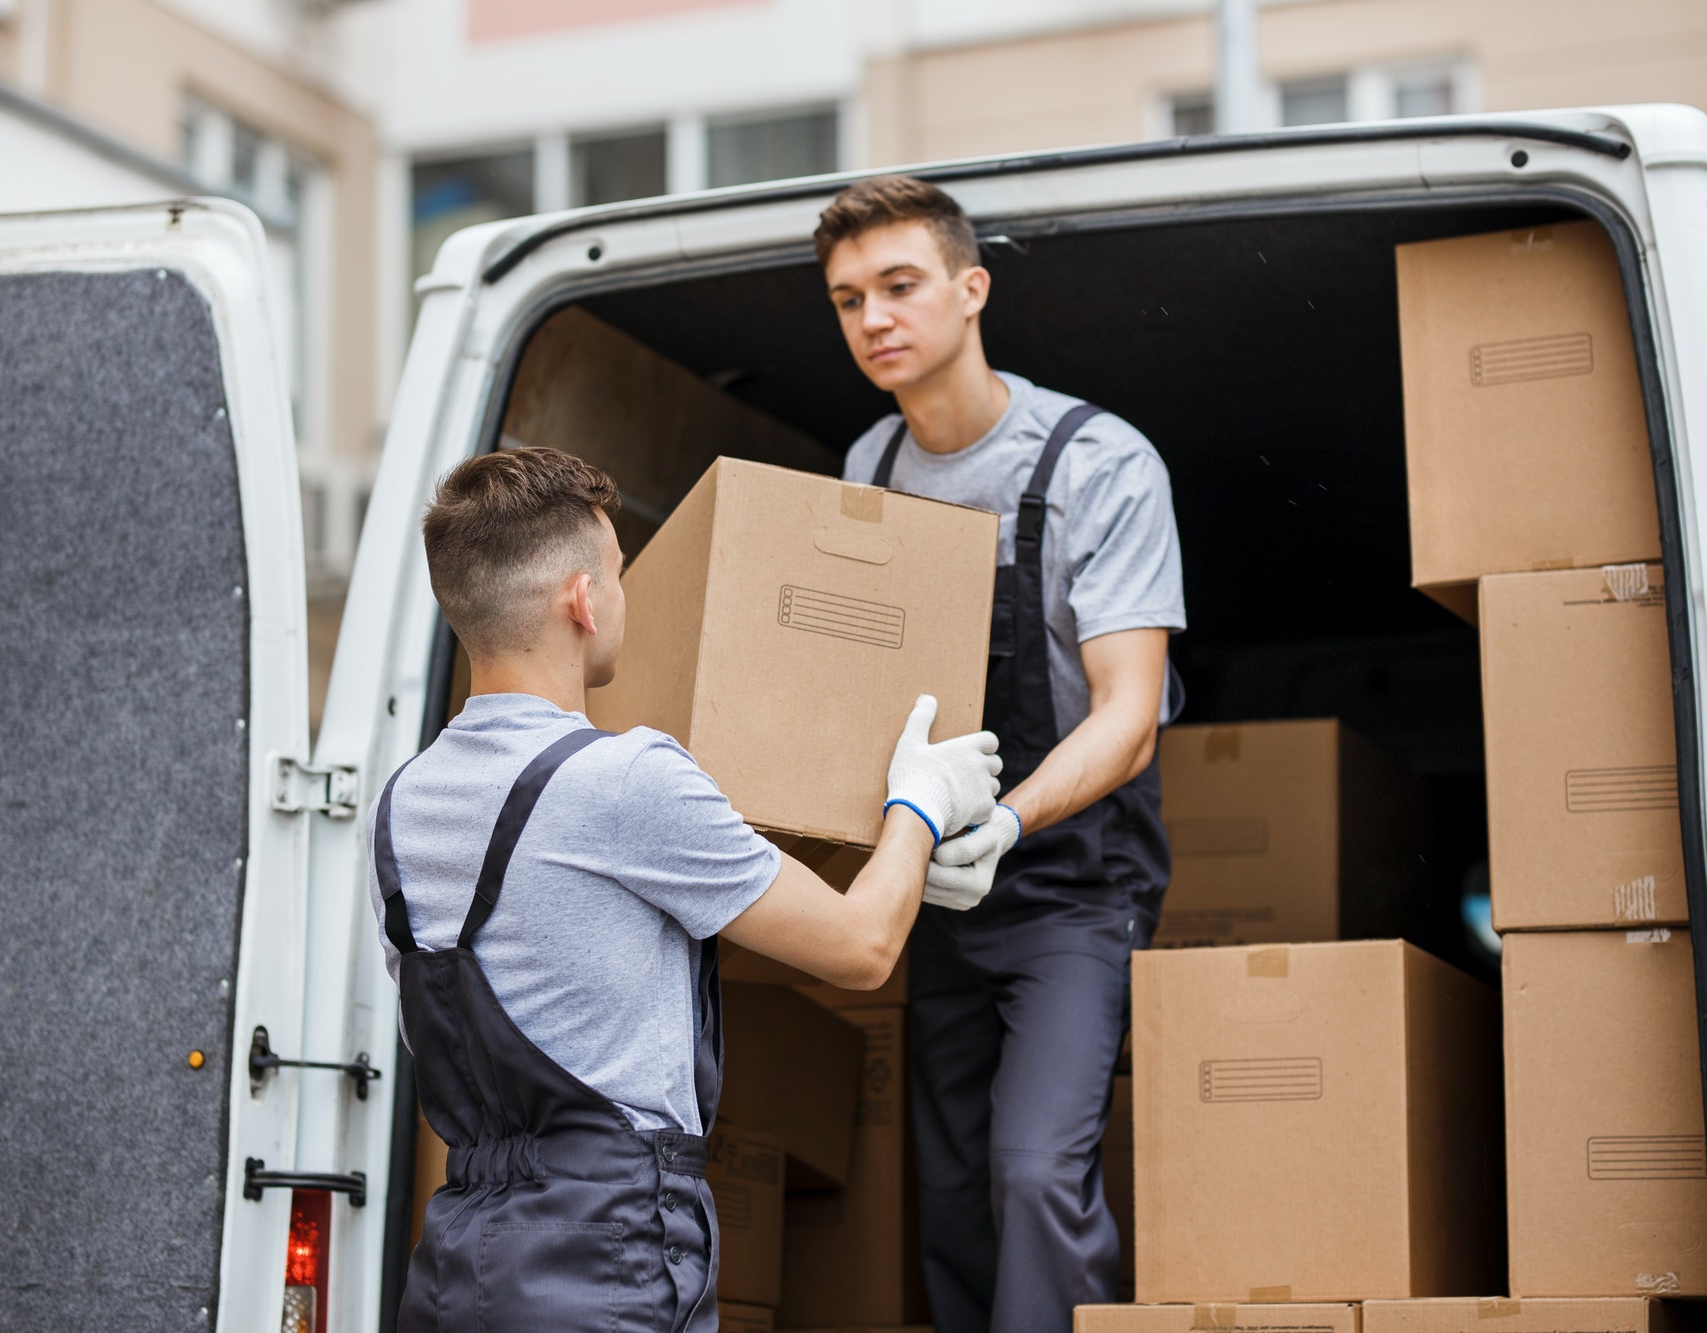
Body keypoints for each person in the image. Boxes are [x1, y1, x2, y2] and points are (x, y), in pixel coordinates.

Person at [369, 446, 1004, 1333]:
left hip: (458, 1265)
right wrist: (919, 807)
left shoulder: (398, 809)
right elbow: (861, 947)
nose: (623, 596)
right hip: (606, 1256)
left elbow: (580, 953)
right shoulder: (629, 780)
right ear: (583, 601)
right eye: (619, 574)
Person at [817, 175, 1186, 1333]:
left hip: (1073, 887)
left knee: (1032, 1173)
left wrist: (1001, 823)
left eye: (898, 285)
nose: (873, 318)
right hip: (929, 895)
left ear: (970, 290)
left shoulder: (1097, 462)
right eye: (845, 300)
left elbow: (1127, 714)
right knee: (952, 1198)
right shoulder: (867, 466)